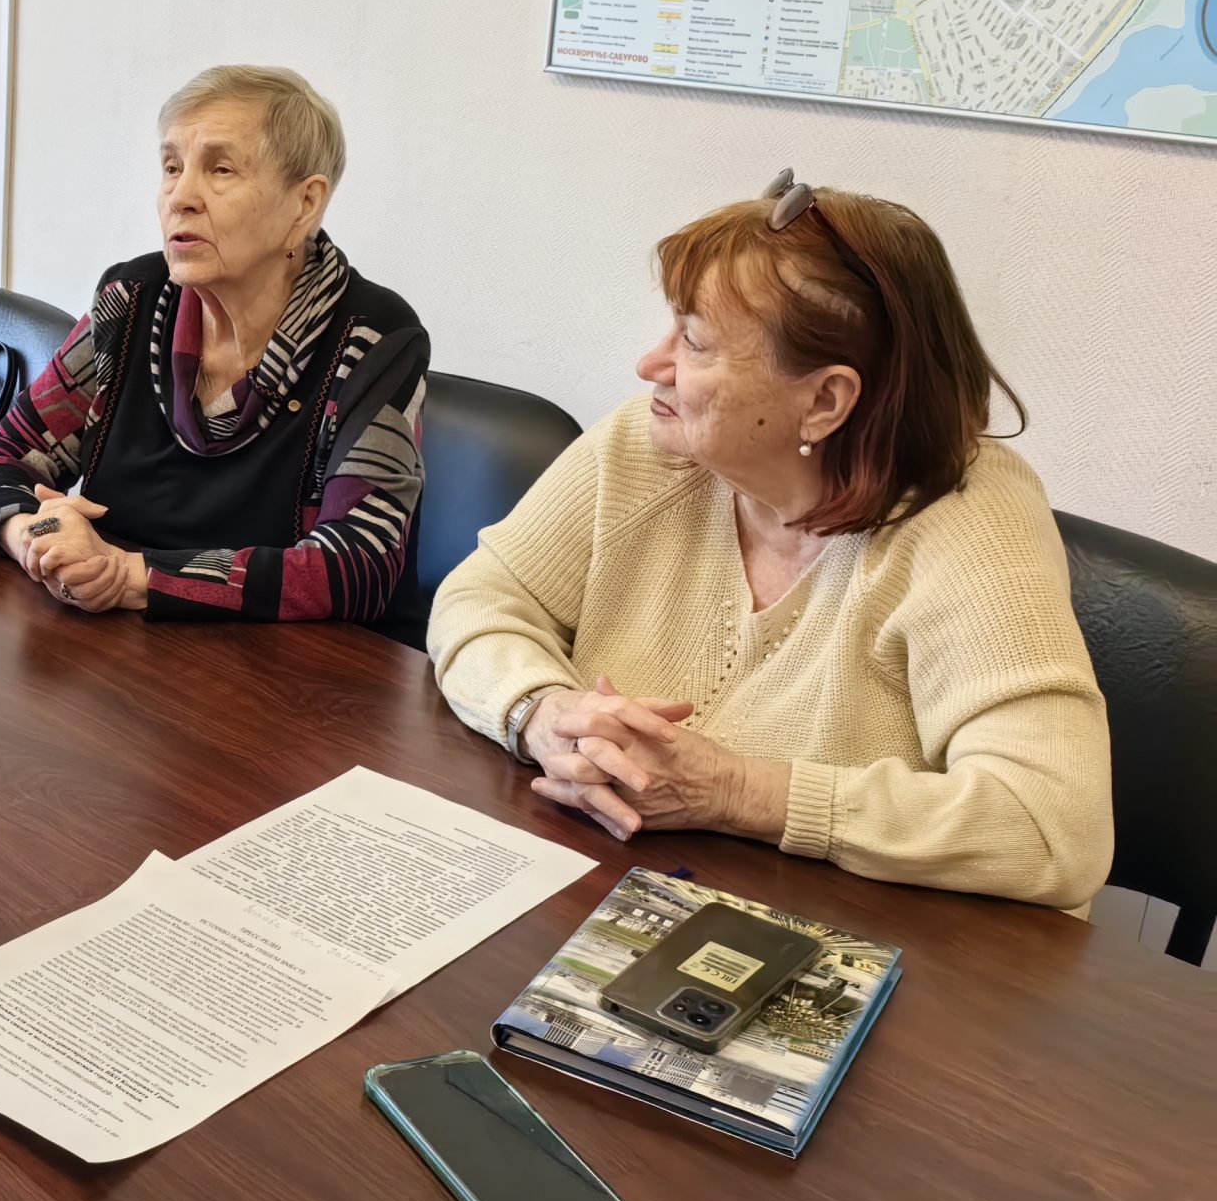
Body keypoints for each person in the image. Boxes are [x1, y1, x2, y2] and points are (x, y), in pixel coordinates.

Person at [427, 171, 1111, 911]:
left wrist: (735, 791)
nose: (651, 366)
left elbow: (1053, 828)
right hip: (611, 885)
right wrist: (542, 715)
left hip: (868, 939)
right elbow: (481, 597)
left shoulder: (970, 520)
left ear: (825, 401)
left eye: (694, 342)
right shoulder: (647, 446)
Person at [0, 65, 429, 623]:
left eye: (221, 169)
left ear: (304, 204)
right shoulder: (130, 300)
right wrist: (35, 536)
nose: (180, 196)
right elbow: (3, 454)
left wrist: (130, 574)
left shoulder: (375, 339)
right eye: (172, 167)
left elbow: (357, 566)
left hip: (289, 665)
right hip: (113, 642)